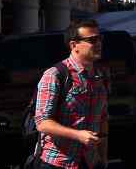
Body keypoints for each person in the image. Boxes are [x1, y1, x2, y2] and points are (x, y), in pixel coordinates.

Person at [33, 18, 110, 169]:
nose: (99, 43)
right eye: (92, 40)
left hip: (91, 162)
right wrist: (78, 135)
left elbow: (103, 119)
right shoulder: (55, 75)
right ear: (74, 45)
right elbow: (42, 123)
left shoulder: (100, 76)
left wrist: (103, 157)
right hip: (58, 162)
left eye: (100, 38)